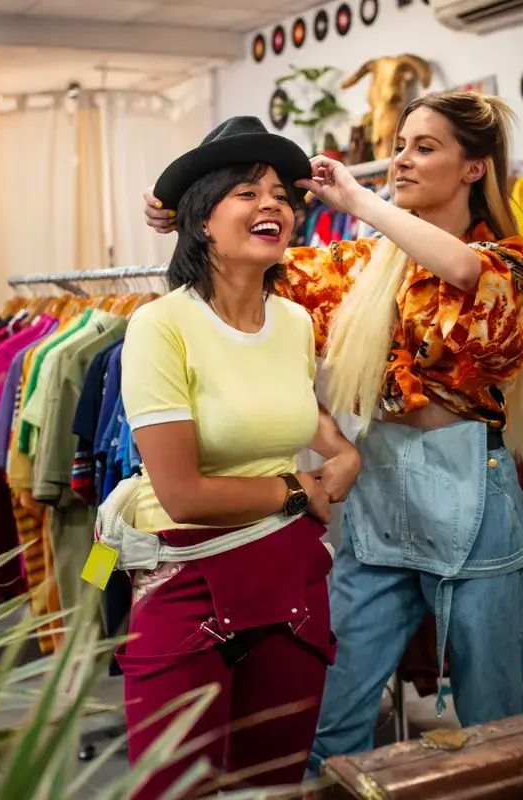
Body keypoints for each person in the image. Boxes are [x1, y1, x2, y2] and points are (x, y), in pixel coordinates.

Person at [144, 91, 523, 769]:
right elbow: (247, 264)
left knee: (494, 729)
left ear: (474, 168)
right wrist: (192, 209)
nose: (403, 160)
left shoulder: (508, 262)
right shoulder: (362, 267)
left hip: (477, 510)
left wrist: (359, 202)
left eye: (425, 147)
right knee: (330, 721)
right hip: (378, 506)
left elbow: (463, 272)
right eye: (400, 145)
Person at [116, 116, 362, 797]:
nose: (273, 205)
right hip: (188, 577)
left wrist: (342, 454)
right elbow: (185, 491)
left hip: (291, 583)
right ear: (201, 222)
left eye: (281, 193)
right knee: (174, 786)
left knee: (274, 783)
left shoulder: (294, 322)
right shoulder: (160, 327)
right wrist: (299, 490)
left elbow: (289, 407)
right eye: (248, 193)